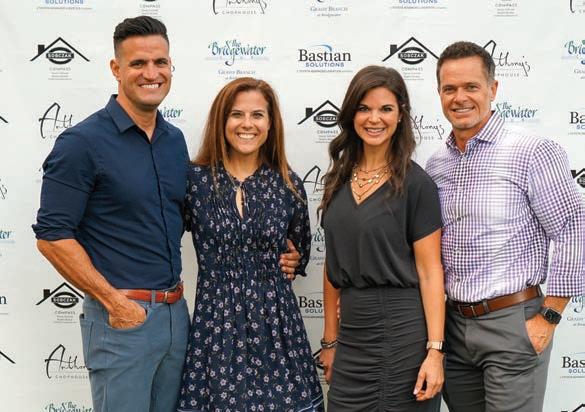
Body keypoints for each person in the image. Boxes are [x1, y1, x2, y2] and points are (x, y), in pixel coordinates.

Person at [31, 16, 301, 412]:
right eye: (138, 63)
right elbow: (52, 237)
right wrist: (114, 303)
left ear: (171, 66)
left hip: (178, 317)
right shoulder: (82, 143)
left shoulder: (173, 142)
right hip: (121, 320)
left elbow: (207, 219)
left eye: (160, 62)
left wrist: (281, 252)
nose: (151, 73)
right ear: (116, 69)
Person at [426, 41, 585, 412]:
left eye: (471, 86)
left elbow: (573, 229)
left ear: (493, 89)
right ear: (439, 93)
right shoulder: (436, 165)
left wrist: (549, 316)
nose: (460, 97)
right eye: (450, 88)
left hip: (514, 323)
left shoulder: (531, 151)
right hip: (454, 329)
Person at [177, 77, 323, 412]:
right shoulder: (195, 181)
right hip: (215, 329)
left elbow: (299, 253)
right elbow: (162, 236)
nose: (247, 124)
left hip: (278, 329)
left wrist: (291, 260)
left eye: (257, 115)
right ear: (221, 121)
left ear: (270, 124)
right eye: (236, 114)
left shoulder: (287, 184)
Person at [318, 65, 445, 411]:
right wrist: (330, 340)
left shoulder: (416, 184)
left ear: (400, 115)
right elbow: (331, 266)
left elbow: (430, 272)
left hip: (402, 334)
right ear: (351, 114)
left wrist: (435, 351)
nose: (374, 119)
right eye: (364, 108)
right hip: (352, 335)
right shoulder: (337, 181)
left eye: (386, 109)